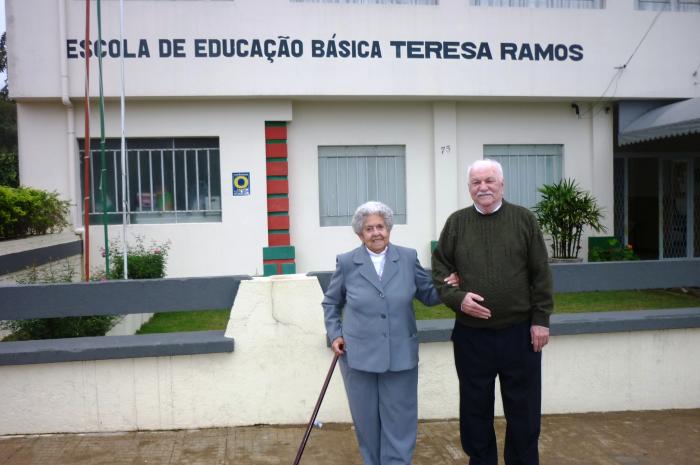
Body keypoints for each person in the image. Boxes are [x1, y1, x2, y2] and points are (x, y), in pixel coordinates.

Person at [432, 159, 553, 465]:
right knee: (474, 408)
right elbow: (440, 268)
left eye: (489, 181)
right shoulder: (457, 223)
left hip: (519, 333)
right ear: (469, 188)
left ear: (502, 185)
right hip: (472, 336)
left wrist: (540, 320)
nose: (483, 187)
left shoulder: (524, 220)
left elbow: (541, 273)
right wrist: (457, 298)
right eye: (476, 182)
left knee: (523, 409)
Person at [323, 201, 458, 465]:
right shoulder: (348, 262)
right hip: (358, 356)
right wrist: (334, 334)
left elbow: (428, 295)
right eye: (369, 228)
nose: (376, 233)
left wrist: (447, 287)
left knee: (401, 420)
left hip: (400, 355)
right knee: (366, 422)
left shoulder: (407, 258)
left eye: (380, 227)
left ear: (389, 229)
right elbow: (331, 303)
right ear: (360, 234)